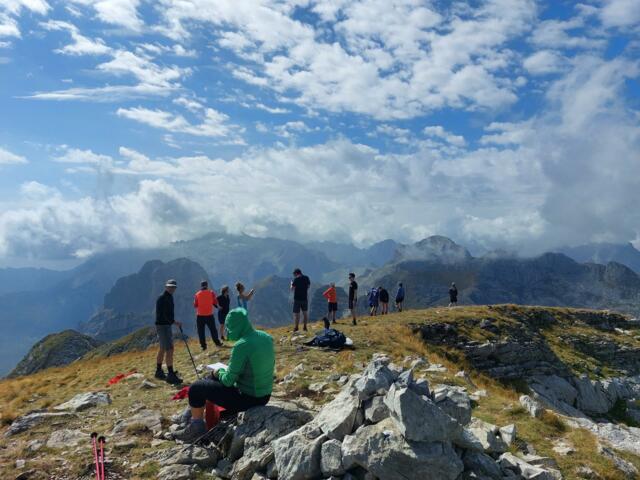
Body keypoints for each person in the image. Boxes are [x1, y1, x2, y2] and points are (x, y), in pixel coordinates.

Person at [174, 307, 274, 443]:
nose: (228, 331)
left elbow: (227, 381)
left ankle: (196, 429)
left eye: (230, 327)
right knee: (210, 379)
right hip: (264, 395)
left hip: (249, 399)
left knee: (196, 388)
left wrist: (218, 371)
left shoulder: (242, 345)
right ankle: (190, 415)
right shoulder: (265, 337)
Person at [155, 279, 183, 385]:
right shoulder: (162, 298)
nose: (172, 288)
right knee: (170, 349)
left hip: (164, 325)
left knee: (162, 348)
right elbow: (164, 315)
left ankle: (159, 371)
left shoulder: (168, 297)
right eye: (170, 286)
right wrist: (175, 322)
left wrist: (172, 322)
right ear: (166, 286)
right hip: (163, 326)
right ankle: (170, 375)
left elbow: (167, 314)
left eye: (173, 287)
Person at [194, 280, 222, 351]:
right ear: (207, 285)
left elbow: (195, 305)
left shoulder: (197, 294)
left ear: (201, 286)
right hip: (209, 315)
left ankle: (203, 346)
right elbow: (215, 302)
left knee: (201, 331)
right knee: (213, 330)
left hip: (200, 315)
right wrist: (217, 307)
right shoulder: (211, 293)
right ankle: (217, 343)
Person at [291, 268, 311, 332]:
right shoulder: (306, 277)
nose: (294, 276)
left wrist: (291, 283)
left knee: (297, 314)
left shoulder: (296, 279)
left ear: (296, 273)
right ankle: (305, 327)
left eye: (294, 274)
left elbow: (292, 288)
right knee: (305, 313)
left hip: (297, 299)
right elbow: (308, 286)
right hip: (304, 298)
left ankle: (296, 327)